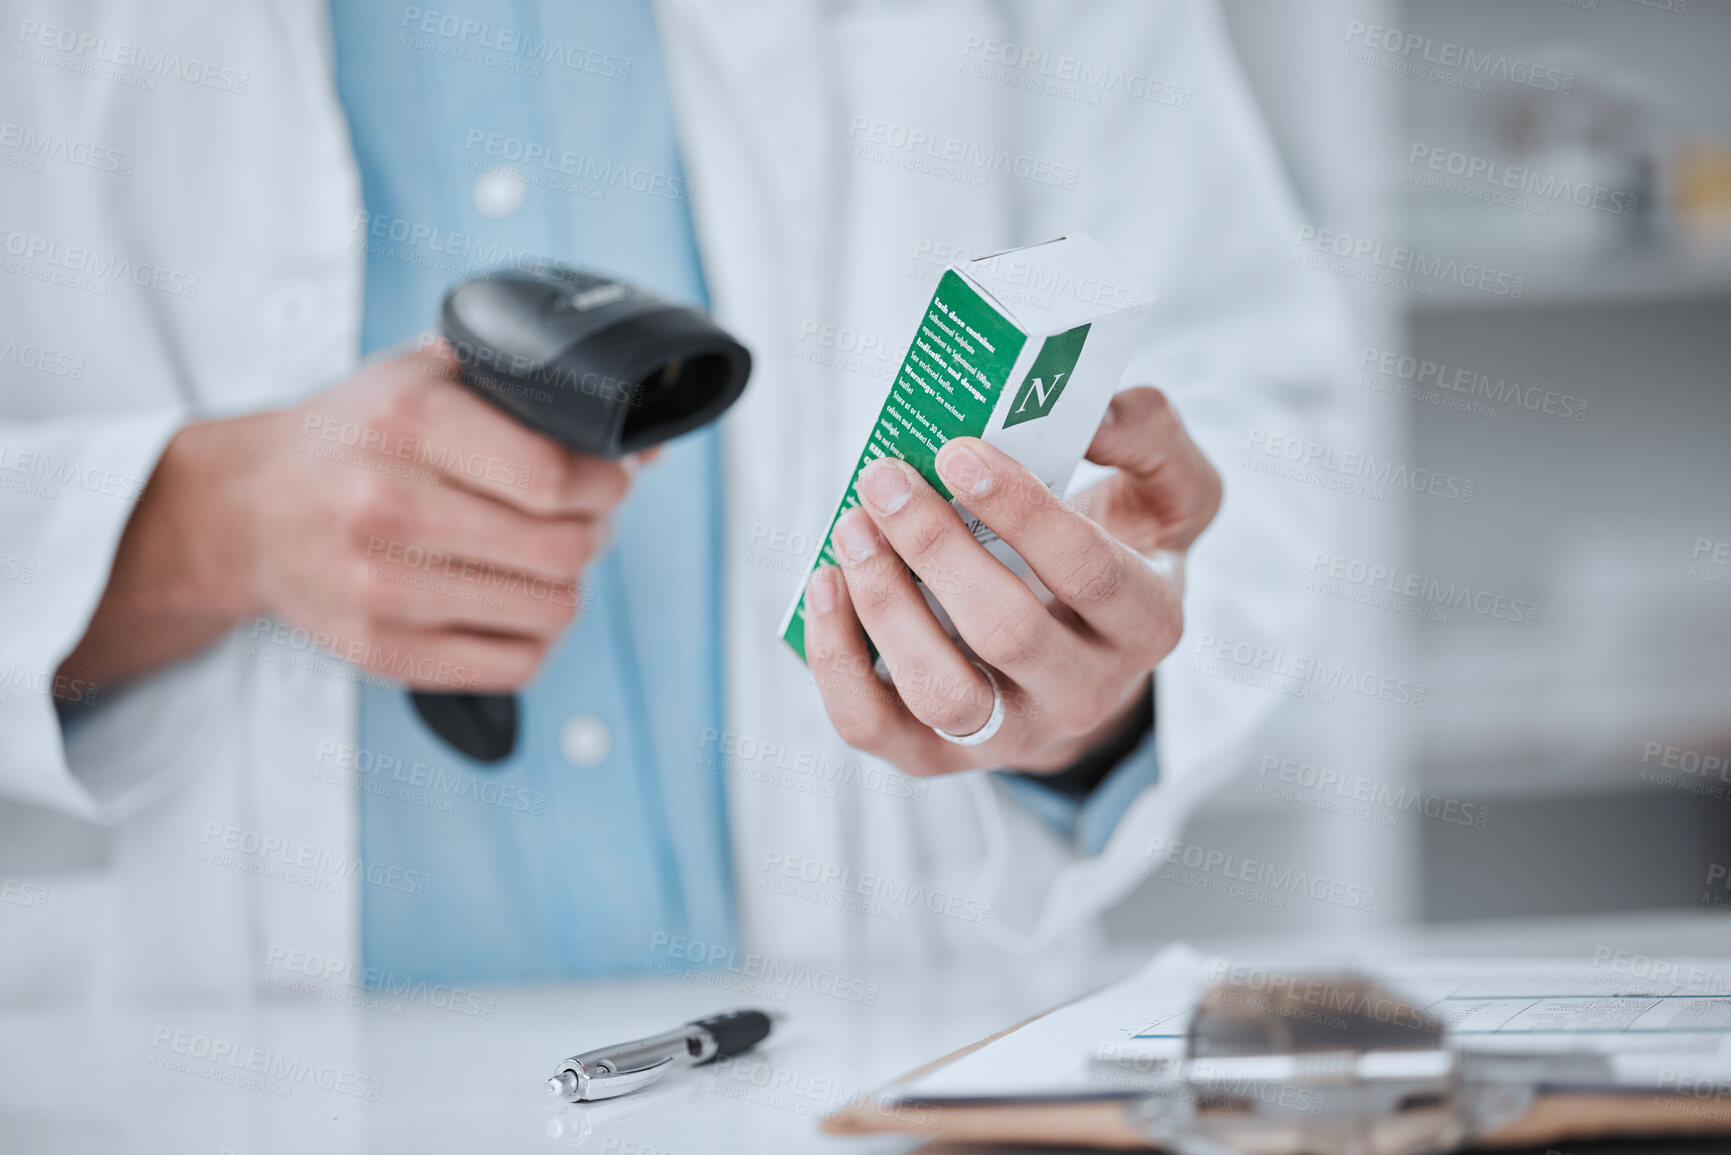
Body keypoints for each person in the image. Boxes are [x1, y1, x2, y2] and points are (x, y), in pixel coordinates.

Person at [0, 0, 1353, 999]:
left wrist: (1080, 677)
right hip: (208, 1056)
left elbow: (1239, 392)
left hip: (860, 1037)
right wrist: (187, 527)